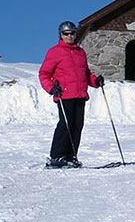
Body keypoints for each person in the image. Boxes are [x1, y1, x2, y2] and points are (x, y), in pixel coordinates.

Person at [39, 21, 104, 168]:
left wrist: (96, 81)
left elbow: (85, 74)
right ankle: (57, 156)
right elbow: (44, 74)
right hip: (64, 94)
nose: (69, 36)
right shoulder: (54, 52)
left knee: (77, 126)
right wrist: (51, 88)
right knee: (65, 125)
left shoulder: (81, 53)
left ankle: (71, 155)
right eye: (66, 34)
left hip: (80, 94)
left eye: (72, 33)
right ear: (60, 35)